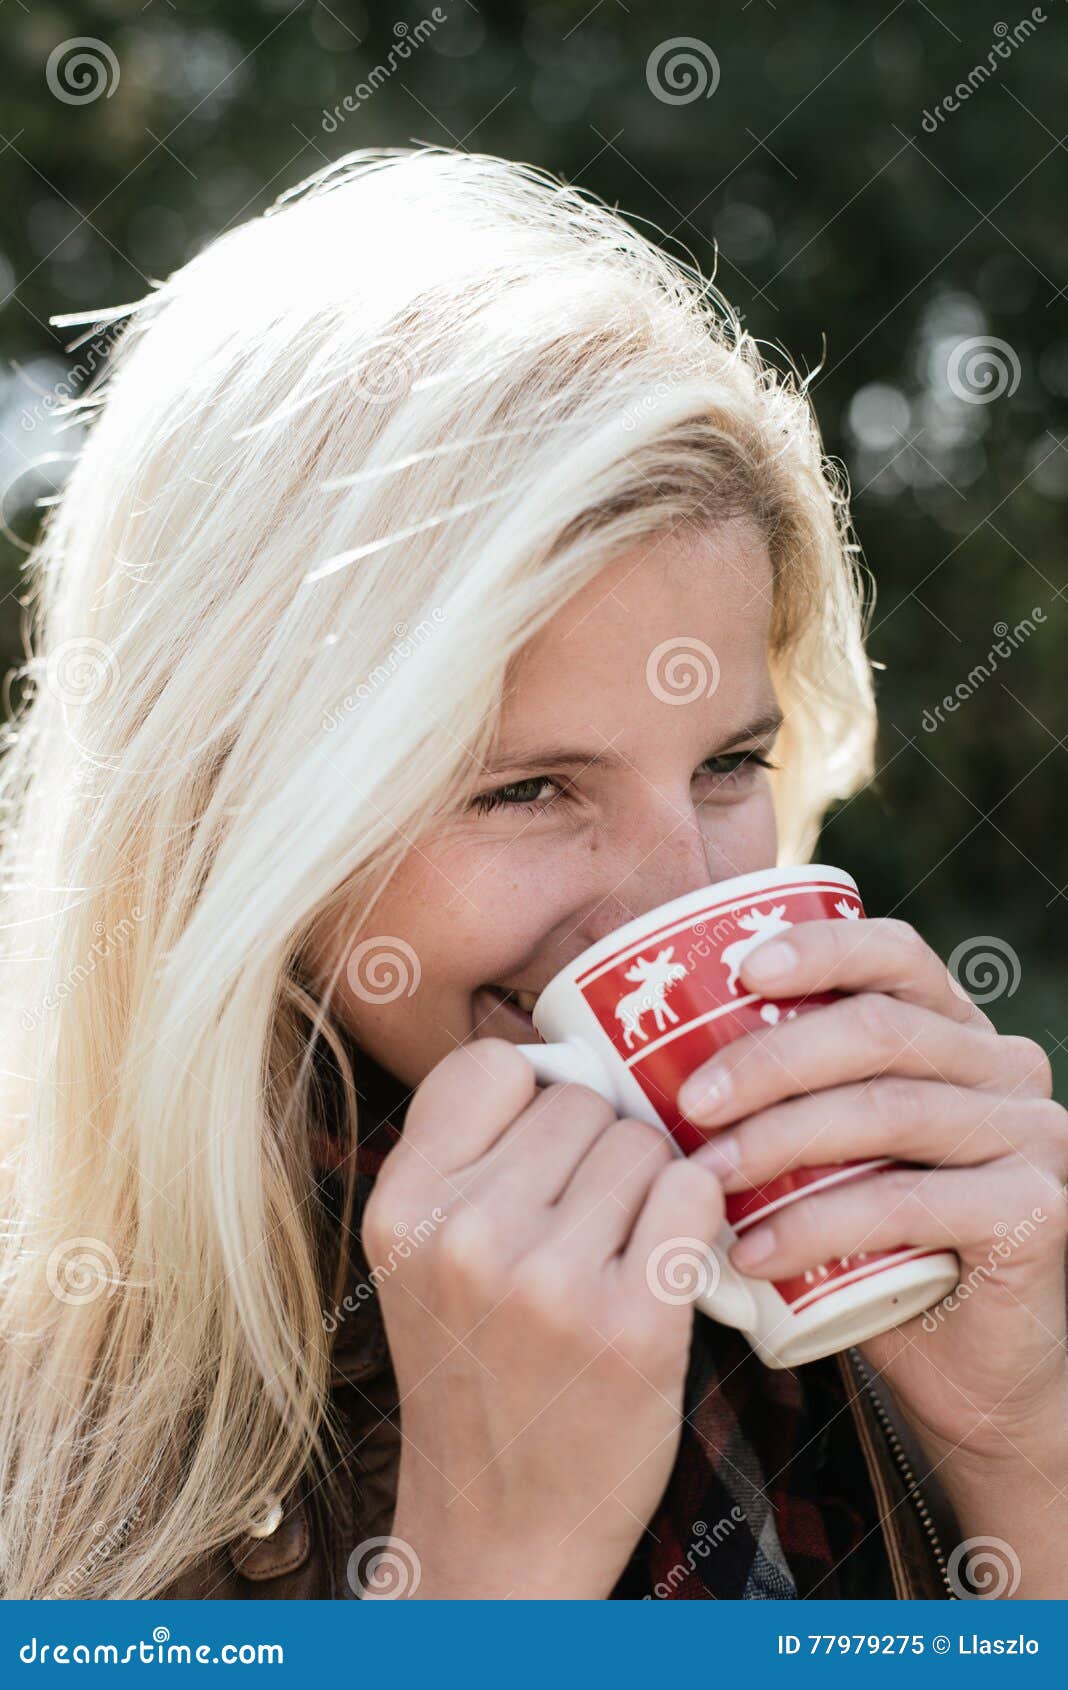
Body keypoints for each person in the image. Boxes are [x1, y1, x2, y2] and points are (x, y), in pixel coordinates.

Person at [0, 147, 1063, 1601]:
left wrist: (1023, 1449)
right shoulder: (58, 1444)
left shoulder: (871, 1284)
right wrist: (487, 1570)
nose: (672, 896)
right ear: (235, 816)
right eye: (526, 788)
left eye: (728, 765)